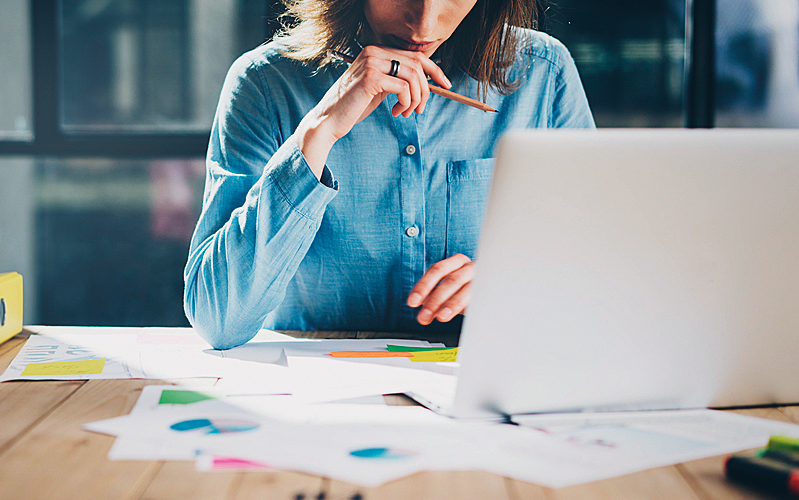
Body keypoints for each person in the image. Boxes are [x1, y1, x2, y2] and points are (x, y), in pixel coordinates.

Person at [184, 0, 595, 349]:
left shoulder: (545, 75)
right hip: (317, 401)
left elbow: (601, 280)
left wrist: (518, 282)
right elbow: (217, 318)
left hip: (483, 391)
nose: (425, 24)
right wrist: (319, 132)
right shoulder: (264, 83)